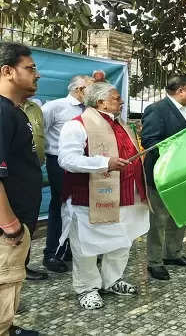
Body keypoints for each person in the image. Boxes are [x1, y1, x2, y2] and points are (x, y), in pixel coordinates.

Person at [57, 82, 149, 310]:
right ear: (100, 102)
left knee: (122, 241)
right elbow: (66, 160)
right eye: (117, 98)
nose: (122, 102)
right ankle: (87, 288)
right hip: (89, 198)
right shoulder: (76, 125)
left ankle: (112, 280)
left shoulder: (123, 125)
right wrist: (104, 163)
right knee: (86, 246)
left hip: (128, 195)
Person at [0, 42, 41, 336]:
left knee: (5, 300)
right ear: (7, 71)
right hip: (2, 235)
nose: (37, 75)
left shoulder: (12, 110)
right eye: (31, 68)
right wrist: (11, 228)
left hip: (11, 230)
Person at [142, 75, 186, 281]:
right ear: (180, 91)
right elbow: (150, 141)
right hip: (162, 173)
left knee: (179, 215)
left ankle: (173, 254)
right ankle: (155, 262)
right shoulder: (157, 109)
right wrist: (178, 155)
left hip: (184, 174)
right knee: (158, 220)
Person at [41, 75, 94, 274]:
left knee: (80, 206)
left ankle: (74, 249)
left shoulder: (91, 109)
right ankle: (53, 253)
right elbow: (40, 133)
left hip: (85, 162)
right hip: (59, 162)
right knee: (62, 205)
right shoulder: (54, 107)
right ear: (80, 89)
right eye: (90, 88)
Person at [19, 98, 49, 282]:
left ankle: (22, 265)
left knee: (29, 221)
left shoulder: (35, 107)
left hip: (33, 170)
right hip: (7, 174)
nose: (36, 75)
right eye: (30, 69)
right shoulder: (0, 107)